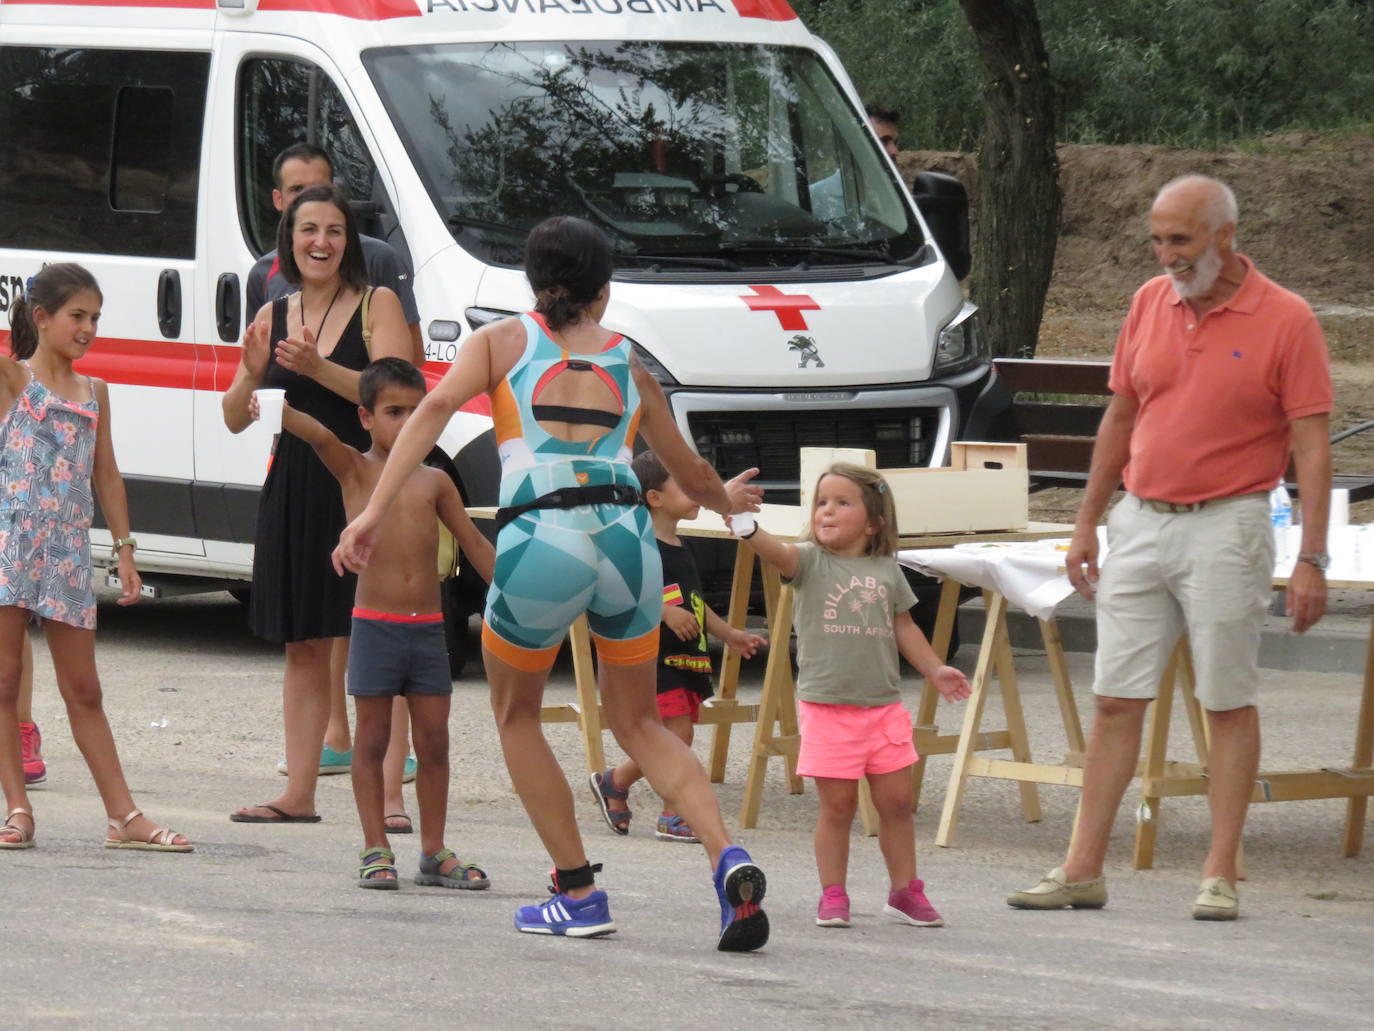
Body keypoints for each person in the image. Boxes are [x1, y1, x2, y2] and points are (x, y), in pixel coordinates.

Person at [335, 216, 771, 951]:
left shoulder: (503, 342)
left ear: (533, 282)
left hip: (543, 536)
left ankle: (577, 889)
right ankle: (726, 855)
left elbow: (434, 412)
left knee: (517, 714)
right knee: (641, 724)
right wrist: (729, 505)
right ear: (604, 291)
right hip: (630, 540)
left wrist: (373, 512)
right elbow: (691, 476)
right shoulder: (630, 363)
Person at [1007, 175, 1333, 922]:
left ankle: (1220, 871)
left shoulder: (1288, 318)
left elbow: (1312, 448)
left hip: (1230, 521)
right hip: (1141, 518)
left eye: (1179, 240)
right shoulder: (1150, 301)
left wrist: (1311, 557)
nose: (1165, 255)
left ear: (1225, 235)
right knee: (1116, 696)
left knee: (1225, 697)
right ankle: (1083, 866)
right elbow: (1120, 416)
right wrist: (1087, 520)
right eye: (1156, 240)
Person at [260, 358, 495, 887]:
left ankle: (433, 852)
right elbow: (320, 435)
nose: (407, 422)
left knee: (435, 743)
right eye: (393, 412)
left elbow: (477, 545)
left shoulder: (436, 481)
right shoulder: (356, 470)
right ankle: (375, 847)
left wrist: (512, 596)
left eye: (417, 412)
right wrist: (276, 408)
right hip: (374, 626)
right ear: (365, 418)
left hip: (429, 629)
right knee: (370, 740)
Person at [224, 183, 412, 825]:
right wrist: (252, 371)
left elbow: (399, 395)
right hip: (295, 486)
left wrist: (316, 366)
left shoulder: (376, 303)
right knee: (304, 644)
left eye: (334, 231)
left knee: (377, 642)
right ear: (290, 239)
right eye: (309, 230)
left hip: (366, 485)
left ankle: (388, 799)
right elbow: (232, 418)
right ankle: (298, 794)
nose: (321, 242)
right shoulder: (273, 311)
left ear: (349, 242)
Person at [0, 262, 191, 853]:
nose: (88, 328)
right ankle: (17, 808)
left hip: (67, 555)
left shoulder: (96, 392)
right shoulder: (11, 379)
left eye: (95, 318)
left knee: (84, 690)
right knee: (4, 682)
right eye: (77, 316)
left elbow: (106, 475)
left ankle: (123, 816)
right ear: (41, 318)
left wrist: (126, 551)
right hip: (9, 548)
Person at [737, 463, 969, 928]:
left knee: (898, 803)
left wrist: (934, 668)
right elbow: (772, 550)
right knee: (837, 807)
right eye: (822, 502)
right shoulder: (808, 561)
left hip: (883, 707)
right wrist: (742, 523)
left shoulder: (887, 569)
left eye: (843, 503)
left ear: (873, 522)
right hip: (828, 709)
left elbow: (902, 625)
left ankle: (905, 891)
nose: (827, 511)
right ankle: (833, 893)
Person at [589, 449, 766, 844]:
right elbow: (624, 589)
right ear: (655, 498)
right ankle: (673, 814)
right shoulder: (640, 544)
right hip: (653, 657)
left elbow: (695, 605)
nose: (695, 493)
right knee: (676, 733)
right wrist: (666, 613)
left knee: (672, 735)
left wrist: (730, 633)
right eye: (684, 486)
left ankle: (615, 782)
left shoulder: (680, 545)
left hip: (688, 657)